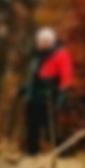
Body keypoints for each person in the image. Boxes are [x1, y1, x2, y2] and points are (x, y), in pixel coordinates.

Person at [20, 27, 74, 155]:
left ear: (50, 41)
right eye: (38, 41)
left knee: (51, 128)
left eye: (42, 41)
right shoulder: (36, 56)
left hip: (49, 97)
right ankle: (31, 152)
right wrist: (23, 89)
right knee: (32, 127)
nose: (39, 43)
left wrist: (61, 95)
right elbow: (34, 76)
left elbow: (65, 77)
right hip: (33, 96)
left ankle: (63, 152)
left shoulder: (60, 55)